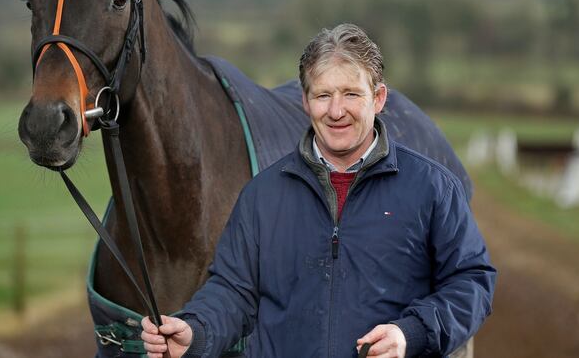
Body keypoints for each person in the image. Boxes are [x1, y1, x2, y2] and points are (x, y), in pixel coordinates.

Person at [141, 23, 496, 358]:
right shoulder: (263, 195)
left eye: (351, 94)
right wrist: (196, 332)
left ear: (378, 98)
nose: (336, 110)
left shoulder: (432, 188)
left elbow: (471, 283)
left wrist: (410, 334)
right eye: (323, 94)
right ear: (305, 102)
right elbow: (234, 292)